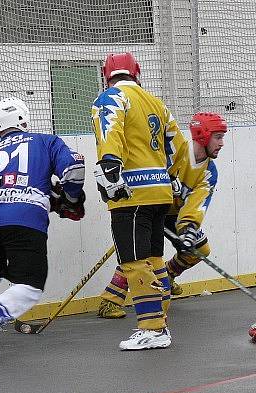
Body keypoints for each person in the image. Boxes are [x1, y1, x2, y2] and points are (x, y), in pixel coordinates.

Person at [0, 97, 86, 363]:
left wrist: (50, 198)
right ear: (22, 119)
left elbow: (8, 190)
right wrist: (70, 199)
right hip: (23, 220)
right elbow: (73, 168)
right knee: (30, 285)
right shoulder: (44, 141)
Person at [92, 51, 192, 350]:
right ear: (137, 72)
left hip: (131, 192)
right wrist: (172, 177)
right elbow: (178, 146)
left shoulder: (110, 98)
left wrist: (110, 168)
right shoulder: (157, 103)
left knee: (134, 262)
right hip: (161, 190)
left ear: (105, 74)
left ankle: (152, 328)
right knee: (154, 260)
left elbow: (110, 131)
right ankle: (160, 320)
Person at [96, 112, 227, 319]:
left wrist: (189, 228)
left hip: (175, 216)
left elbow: (197, 203)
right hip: (151, 206)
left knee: (199, 249)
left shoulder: (210, 171)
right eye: (218, 137)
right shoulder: (176, 151)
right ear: (203, 135)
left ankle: (169, 274)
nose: (222, 143)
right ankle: (109, 301)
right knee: (140, 255)